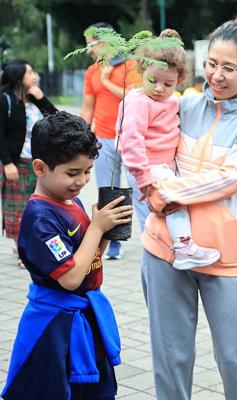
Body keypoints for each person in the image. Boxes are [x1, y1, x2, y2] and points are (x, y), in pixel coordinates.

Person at [138, 14, 237, 400]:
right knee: (170, 357)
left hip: (224, 255)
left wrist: (165, 190)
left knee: (235, 358)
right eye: (211, 64)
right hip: (163, 248)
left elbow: (230, 178)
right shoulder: (183, 105)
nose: (216, 75)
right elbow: (148, 149)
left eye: (229, 68)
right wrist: (146, 186)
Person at [1, 111, 133, 399]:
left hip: (84, 318)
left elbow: (90, 258)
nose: (82, 180)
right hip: (53, 328)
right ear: (40, 168)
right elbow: (72, 277)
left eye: (87, 171)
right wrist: (97, 228)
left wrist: (107, 230)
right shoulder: (40, 219)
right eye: (72, 173)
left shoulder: (69, 201)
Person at [117, 29, 220, 270]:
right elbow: (130, 140)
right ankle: (183, 248)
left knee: (168, 207)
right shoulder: (139, 101)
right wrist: (143, 178)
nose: (159, 88)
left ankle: (172, 244)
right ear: (142, 71)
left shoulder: (172, 100)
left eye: (168, 84)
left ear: (180, 80)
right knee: (175, 201)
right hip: (149, 166)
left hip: (166, 165)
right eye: (153, 81)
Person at [80, 22, 141, 261]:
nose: (89, 50)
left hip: (132, 137)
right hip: (104, 139)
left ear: (105, 43)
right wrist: (83, 137)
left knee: (140, 190)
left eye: (91, 45)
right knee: (109, 192)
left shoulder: (131, 64)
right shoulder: (92, 70)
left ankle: (153, 237)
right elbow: (87, 107)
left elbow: (135, 96)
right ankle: (114, 241)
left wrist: (107, 82)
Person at [0, 60, 57, 268]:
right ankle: (24, 252)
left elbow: (57, 120)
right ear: (18, 78)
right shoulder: (5, 99)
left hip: (39, 163)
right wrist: (7, 163)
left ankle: (30, 246)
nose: (34, 75)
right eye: (29, 72)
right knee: (19, 211)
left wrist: (42, 98)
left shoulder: (33, 99)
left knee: (39, 207)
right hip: (17, 163)